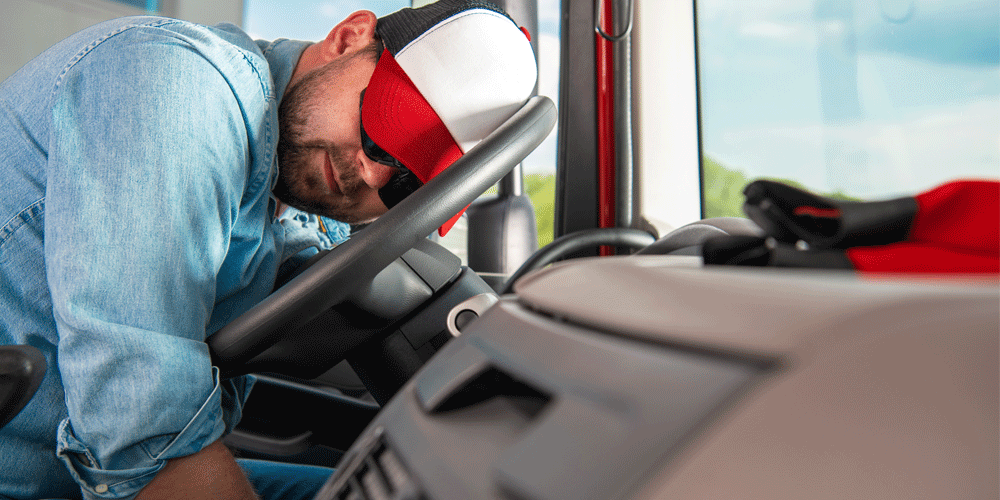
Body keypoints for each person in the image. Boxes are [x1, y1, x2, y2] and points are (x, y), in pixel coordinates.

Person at [0, 0, 537, 498]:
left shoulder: (289, 183)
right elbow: (140, 438)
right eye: (379, 129)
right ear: (349, 38)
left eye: (404, 183)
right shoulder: (180, 89)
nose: (372, 171)